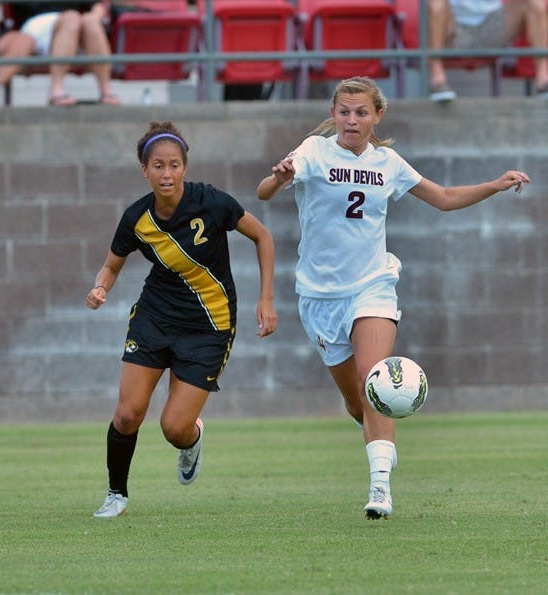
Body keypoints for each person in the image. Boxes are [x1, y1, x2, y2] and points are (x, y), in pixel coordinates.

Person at [256, 76, 530, 519]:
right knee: (355, 401)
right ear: (333, 113)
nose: (351, 119)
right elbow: (263, 194)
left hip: (372, 285)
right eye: (344, 111)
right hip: (320, 296)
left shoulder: (388, 161)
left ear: (377, 116)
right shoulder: (312, 152)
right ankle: (378, 440)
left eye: (361, 112)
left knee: (373, 377)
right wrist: (277, 176)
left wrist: (493, 185)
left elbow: (442, 197)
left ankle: (380, 487)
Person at [88, 120, 277, 518]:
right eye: (158, 166)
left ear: (184, 167)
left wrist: (266, 299)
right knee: (127, 413)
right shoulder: (136, 218)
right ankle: (116, 494)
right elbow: (111, 266)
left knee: (174, 428)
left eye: (174, 165)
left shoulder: (212, 202)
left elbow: (263, 237)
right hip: (155, 318)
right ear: (145, 170)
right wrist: (100, 287)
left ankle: (192, 439)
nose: (166, 173)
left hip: (210, 324)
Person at [427, 0, 548, 102]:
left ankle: (544, 80)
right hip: (453, 28)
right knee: (435, 2)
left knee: (534, 2)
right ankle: (437, 79)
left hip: (493, 25)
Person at [8, 1, 120, 105]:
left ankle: (106, 91)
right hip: (38, 25)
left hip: (75, 26)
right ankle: (56, 90)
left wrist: (95, 18)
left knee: (89, 20)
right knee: (71, 18)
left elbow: (98, 5)